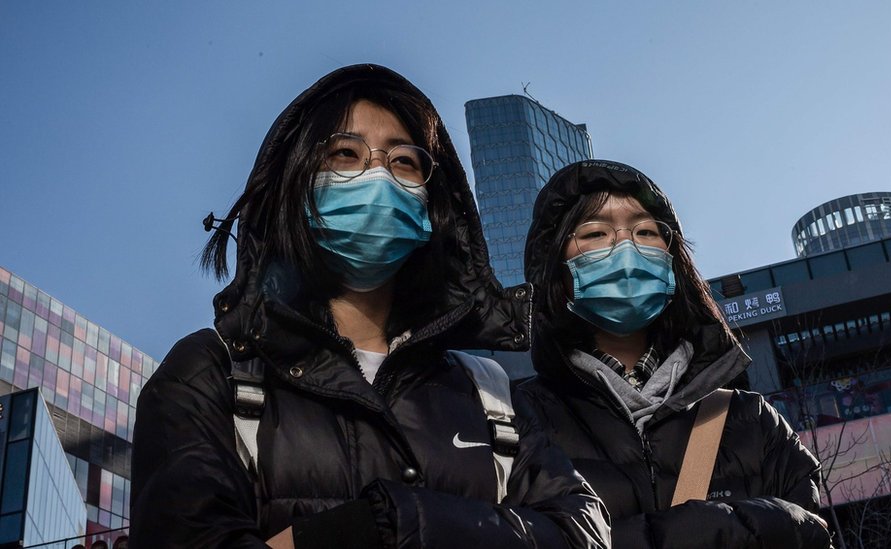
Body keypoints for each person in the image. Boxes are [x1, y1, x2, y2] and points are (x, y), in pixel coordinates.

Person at [129, 65, 610, 549]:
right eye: (345, 153)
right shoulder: (210, 374)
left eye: (404, 161)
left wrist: (399, 522)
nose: (377, 175)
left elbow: (582, 530)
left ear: (432, 203)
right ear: (297, 187)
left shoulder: (491, 393)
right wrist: (360, 531)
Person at [517, 160, 832, 548]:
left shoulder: (751, 420)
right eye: (596, 232)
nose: (626, 246)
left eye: (646, 230)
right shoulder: (516, 421)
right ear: (555, 269)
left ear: (673, 263)